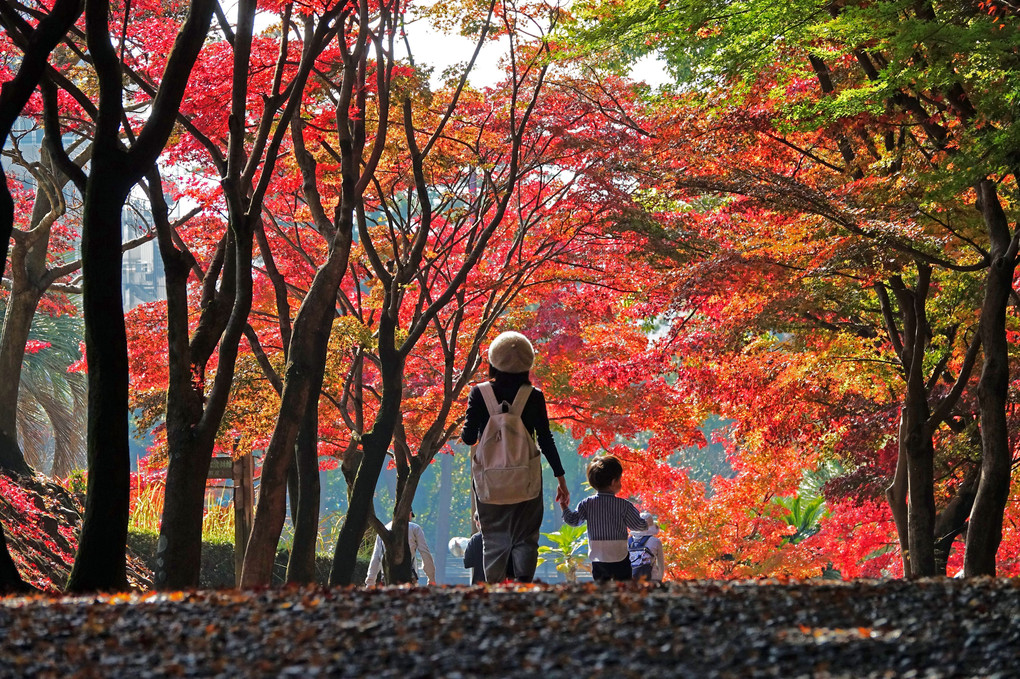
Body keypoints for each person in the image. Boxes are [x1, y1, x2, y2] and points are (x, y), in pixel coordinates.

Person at [461, 331, 570, 583]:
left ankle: (495, 592)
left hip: (490, 483)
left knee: (493, 538)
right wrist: (560, 478)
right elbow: (545, 439)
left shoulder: (479, 393)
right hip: (526, 480)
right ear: (527, 364)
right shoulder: (534, 396)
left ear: (493, 360)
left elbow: (469, 438)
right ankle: (523, 586)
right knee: (526, 536)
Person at [560, 455, 647, 583]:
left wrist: (564, 506)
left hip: (598, 557)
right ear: (613, 482)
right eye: (619, 480)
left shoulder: (586, 504)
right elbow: (638, 526)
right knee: (624, 586)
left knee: (601, 586)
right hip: (619, 556)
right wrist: (647, 523)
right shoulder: (624, 505)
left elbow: (573, 521)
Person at [365, 510, 437, 586]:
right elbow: (425, 553)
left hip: (387, 577)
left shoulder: (383, 529)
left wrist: (370, 582)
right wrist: (431, 579)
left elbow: (376, 558)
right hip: (408, 578)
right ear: (409, 513)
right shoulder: (415, 528)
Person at [463, 514, 515, 584]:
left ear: (478, 522)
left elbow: (467, 562)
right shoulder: (506, 538)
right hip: (501, 583)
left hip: (480, 583)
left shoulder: (476, 539)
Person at [629, 511, 665, 582]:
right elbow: (661, 564)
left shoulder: (628, 542)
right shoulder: (656, 541)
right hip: (651, 579)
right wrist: (659, 578)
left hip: (632, 579)